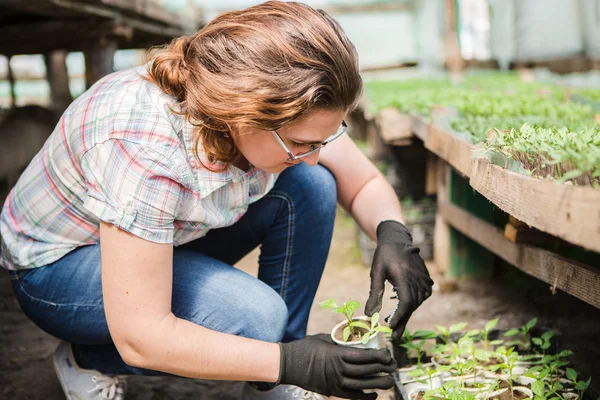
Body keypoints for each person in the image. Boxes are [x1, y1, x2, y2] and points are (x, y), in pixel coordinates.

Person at [0, 2, 433, 399]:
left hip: (151, 239)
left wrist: (393, 234)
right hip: (58, 268)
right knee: (255, 319)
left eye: (322, 139)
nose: (317, 154)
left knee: (314, 184)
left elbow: (360, 184)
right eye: (303, 142)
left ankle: (268, 382)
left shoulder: (275, 111)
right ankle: (85, 358)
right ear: (244, 113)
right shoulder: (146, 149)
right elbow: (142, 335)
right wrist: (293, 362)